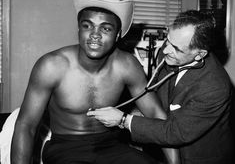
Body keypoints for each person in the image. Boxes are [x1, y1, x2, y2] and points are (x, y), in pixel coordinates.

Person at [11, 0, 179, 164]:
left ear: (117, 35)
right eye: (87, 25)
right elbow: (26, 125)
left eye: (106, 28)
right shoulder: (52, 65)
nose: (95, 35)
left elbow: (156, 114)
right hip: (65, 149)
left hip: (111, 147)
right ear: (78, 28)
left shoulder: (127, 65)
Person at [87, 10, 235, 164]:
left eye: (177, 49)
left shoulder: (214, 87)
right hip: (163, 148)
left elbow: (175, 133)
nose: (165, 50)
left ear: (199, 55)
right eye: (168, 40)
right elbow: (159, 95)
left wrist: (124, 120)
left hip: (199, 156)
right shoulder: (170, 50)